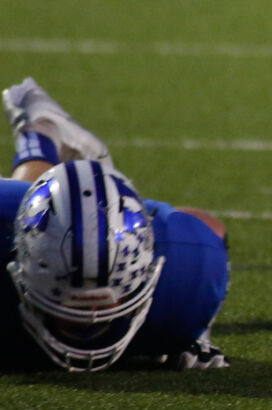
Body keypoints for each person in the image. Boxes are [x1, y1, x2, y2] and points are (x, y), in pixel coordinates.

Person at [3, 79, 229, 373]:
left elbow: (209, 229)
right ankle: (40, 134)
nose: (89, 318)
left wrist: (190, 330)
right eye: (69, 306)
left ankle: (42, 130)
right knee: (29, 193)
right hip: (8, 209)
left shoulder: (185, 270)